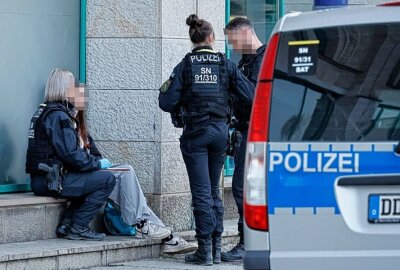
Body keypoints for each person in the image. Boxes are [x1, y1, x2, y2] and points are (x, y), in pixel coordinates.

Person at [158, 14, 254, 266]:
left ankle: (205, 250)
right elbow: (250, 96)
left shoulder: (185, 65)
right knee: (214, 191)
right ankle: (217, 247)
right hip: (220, 133)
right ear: (212, 38)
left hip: (196, 134)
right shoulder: (225, 64)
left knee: (201, 192)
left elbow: (166, 102)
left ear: (192, 39)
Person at [26, 68, 116, 241]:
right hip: (51, 181)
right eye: (73, 85)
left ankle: (66, 224)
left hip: (44, 179)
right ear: (64, 88)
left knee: (89, 180)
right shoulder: (58, 116)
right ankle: (79, 227)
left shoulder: (45, 112)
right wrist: (97, 164)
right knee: (106, 180)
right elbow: (71, 154)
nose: (77, 89)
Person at [222, 17, 266, 262]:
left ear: (243, 34)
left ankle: (247, 242)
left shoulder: (265, 59)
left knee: (243, 187)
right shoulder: (245, 62)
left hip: (258, 132)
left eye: (232, 40)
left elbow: (254, 97)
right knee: (245, 187)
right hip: (245, 131)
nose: (232, 46)